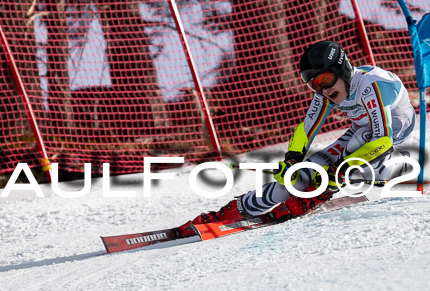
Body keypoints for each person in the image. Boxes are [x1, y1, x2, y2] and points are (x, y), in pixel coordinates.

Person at [174, 40, 415, 238]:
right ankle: (232, 211)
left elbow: (382, 140)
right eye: (314, 85)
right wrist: (292, 159)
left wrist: (340, 170)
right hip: (364, 135)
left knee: (355, 149)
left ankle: (317, 194)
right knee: (303, 173)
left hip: (395, 145)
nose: (322, 90)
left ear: (342, 70)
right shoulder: (327, 93)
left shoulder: (371, 85)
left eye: (325, 81)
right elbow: (306, 129)